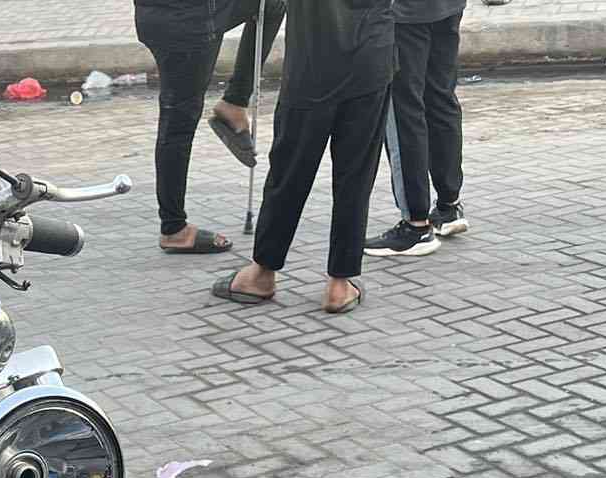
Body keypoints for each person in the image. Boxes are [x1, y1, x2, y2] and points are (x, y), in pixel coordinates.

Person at [211, 0, 394, 313]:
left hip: (311, 65)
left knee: (289, 173)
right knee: (355, 177)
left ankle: (263, 272)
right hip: (369, 56)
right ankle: (340, 283)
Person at [135, 0, 288, 255]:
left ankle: (235, 102)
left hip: (164, 15)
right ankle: (173, 228)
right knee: (178, 124)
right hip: (189, 20)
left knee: (273, 3)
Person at [366, 0, 469, 257]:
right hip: (447, 7)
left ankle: (416, 226)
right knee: (441, 100)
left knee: (403, 112)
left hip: (404, 14)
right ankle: (448, 206)